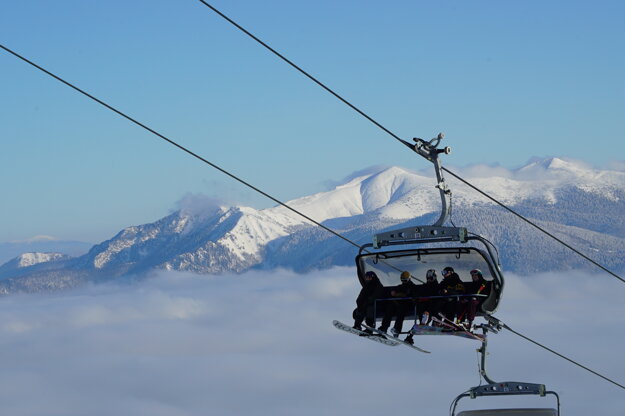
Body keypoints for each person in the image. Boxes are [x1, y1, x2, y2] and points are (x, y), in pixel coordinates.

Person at [404, 269, 439, 345]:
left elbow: (436, 296)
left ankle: (427, 322)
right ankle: (409, 337)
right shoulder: (424, 286)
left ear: (434, 277)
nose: (429, 279)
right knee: (421, 321)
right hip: (422, 307)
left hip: (431, 307)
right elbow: (417, 292)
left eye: (431, 277)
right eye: (428, 277)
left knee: (426, 313)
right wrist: (416, 298)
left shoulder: (437, 286)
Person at [378, 271, 417, 337]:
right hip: (398, 304)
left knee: (401, 311)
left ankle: (397, 329)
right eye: (402, 280)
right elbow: (394, 291)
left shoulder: (412, 287)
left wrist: (399, 294)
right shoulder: (400, 286)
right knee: (390, 308)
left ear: (409, 279)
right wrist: (393, 293)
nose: (404, 281)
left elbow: (411, 295)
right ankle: (384, 327)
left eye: (405, 280)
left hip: (408, 305)